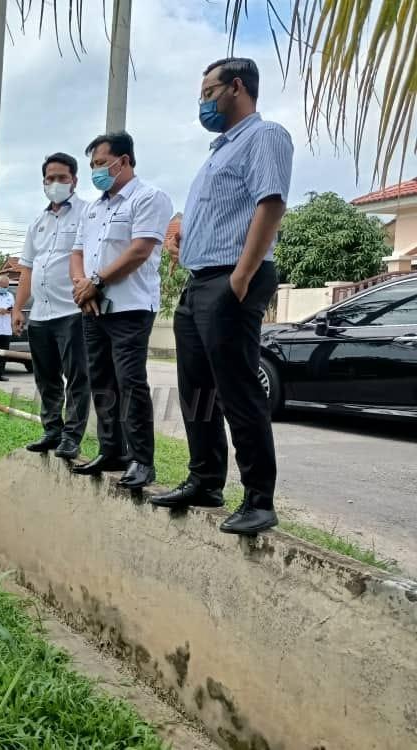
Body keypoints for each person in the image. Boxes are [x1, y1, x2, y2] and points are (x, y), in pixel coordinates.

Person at [150, 57, 292, 536]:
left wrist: (241, 276)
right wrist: (182, 230)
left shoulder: (264, 136)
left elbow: (269, 202)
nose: (203, 100)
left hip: (231, 279)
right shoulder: (218, 151)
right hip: (199, 281)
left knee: (237, 389)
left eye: (208, 91)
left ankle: (258, 499)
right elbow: (221, 211)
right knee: (198, 391)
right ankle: (205, 479)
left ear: (236, 87)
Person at [69, 132, 173, 490]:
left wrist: (95, 281)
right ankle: (111, 450)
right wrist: (83, 287)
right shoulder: (94, 208)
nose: (97, 171)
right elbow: (77, 252)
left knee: (130, 383)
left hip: (130, 307)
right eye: (93, 165)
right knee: (100, 379)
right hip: (93, 307)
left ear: (124, 160)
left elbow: (140, 250)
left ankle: (142, 460)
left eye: (101, 163)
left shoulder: (148, 198)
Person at [13, 152, 90, 460]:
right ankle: (51, 430)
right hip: (41, 314)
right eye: (50, 179)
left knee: (77, 377)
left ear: (74, 180)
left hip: (72, 311)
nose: (55, 183)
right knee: (45, 377)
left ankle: (72, 436)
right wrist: (18, 308)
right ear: (43, 182)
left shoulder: (88, 213)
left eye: (62, 178)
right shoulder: (38, 223)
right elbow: (27, 269)